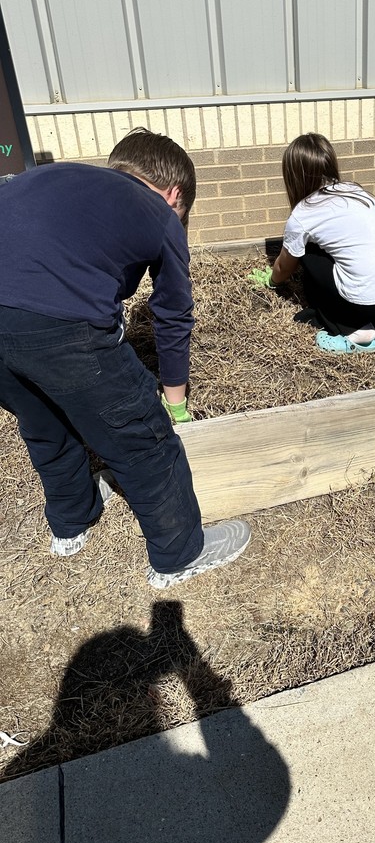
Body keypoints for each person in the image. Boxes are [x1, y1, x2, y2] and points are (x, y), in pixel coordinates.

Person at [0, 128, 250, 587]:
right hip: (64, 328)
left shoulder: (49, 177)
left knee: (44, 422)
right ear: (174, 194)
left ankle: (71, 526)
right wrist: (174, 405)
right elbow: (172, 316)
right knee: (144, 440)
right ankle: (180, 555)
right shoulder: (159, 213)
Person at [249, 132, 375, 354]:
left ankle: (357, 333)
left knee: (307, 252)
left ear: (293, 176)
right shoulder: (355, 191)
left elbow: (283, 268)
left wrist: (272, 281)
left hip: (370, 297)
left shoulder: (304, 213)